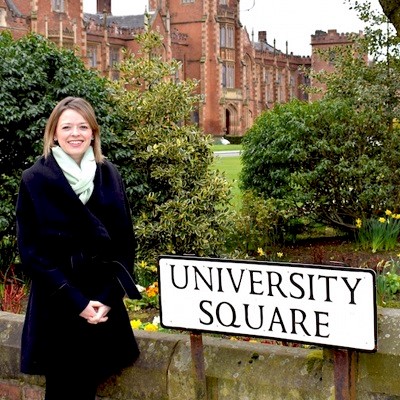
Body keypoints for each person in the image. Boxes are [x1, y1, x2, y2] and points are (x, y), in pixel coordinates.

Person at [15, 96, 142, 400]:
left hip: (101, 302)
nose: (76, 133)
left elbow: (125, 242)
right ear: (54, 133)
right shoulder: (35, 179)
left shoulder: (109, 173)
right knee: (62, 389)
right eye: (67, 127)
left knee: (91, 385)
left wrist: (108, 299)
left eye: (83, 126)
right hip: (58, 301)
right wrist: (78, 303)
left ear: (93, 133)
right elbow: (31, 252)